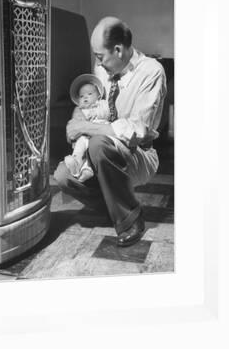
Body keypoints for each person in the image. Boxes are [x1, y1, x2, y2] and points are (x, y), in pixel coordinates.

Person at [54, 16, 167, 247]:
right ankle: (111, 205)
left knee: (98, 144)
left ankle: (130, 218)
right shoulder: (102, 70)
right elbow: (86, 104)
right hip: (100, 148)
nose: (98, 63)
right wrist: (76, 120)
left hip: (139, 154)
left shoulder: (151, 72)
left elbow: (136, 131)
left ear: (118, 50)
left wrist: (85, 128)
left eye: (100, 56)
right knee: (63, 176)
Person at [64, 74, 110, 182]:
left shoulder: (101, 104)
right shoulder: (79, 110)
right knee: (80, 145)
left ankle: (87, 169)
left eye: (89, 94)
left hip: (99, 130)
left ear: (98, 96)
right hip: (84, 136)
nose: (85, 97)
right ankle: (76, 163)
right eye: (81, 96)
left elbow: (106, 113)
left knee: (92, 148)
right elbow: (73, 127)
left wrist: (93, 111)